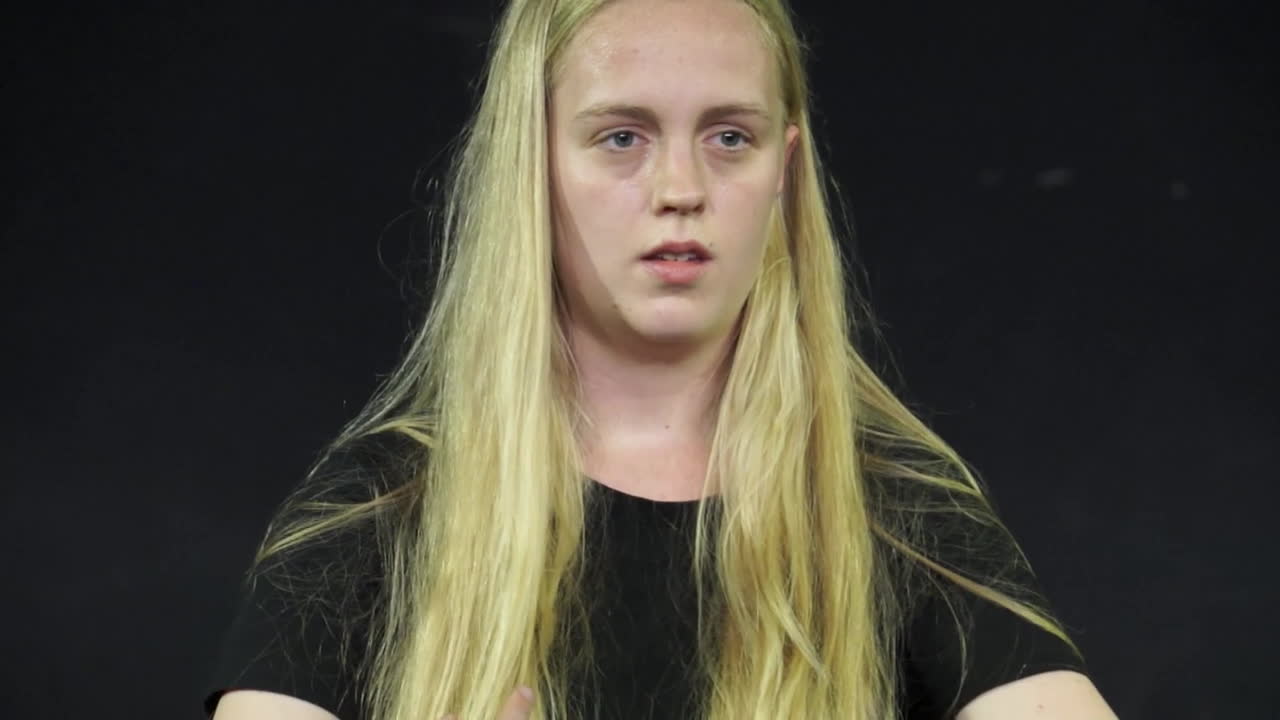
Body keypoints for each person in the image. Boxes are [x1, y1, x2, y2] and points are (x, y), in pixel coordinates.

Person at [205, 0, 1120, 718]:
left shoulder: (894, 509)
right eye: (622, 137)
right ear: (531, 163)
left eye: (729, 138)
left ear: (783, 170)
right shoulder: (378, 510)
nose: (681, 189)